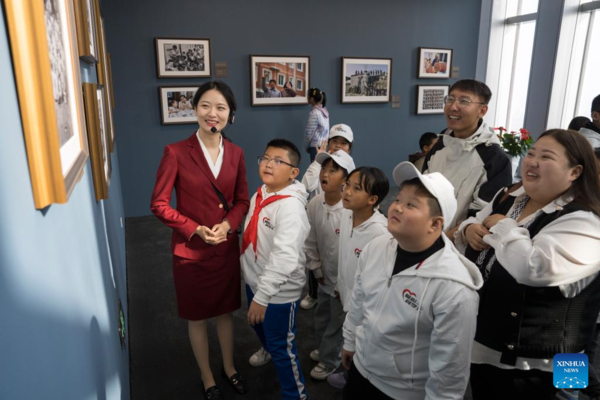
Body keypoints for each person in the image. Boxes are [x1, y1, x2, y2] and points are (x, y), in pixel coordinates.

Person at [454, 129, 600, 399]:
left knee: (570, 392)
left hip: (547, 361)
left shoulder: (586, 221)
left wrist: (502, 226)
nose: (531, 161)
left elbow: (531, 268)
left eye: (546, 157)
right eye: (531, 153)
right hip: (486, 345)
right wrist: (468, 229)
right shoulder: (511, 195)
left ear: (575, 172)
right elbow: (473, 221)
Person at [341, 161, 482, 400]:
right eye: (398, 200)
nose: (396, 207)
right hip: (360, 369)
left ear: (435, 224)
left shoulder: (454, 288)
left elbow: (450, 369)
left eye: (410, 204)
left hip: (403, 392)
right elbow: (359, 299)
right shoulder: (376, 247)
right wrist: (350, 339)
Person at [150, 81, 249, 400]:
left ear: (230, 114)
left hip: (224, 249)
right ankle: (207, 376)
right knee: (196, 316)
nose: (213, 113)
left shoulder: (236, 153)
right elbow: (159, 204)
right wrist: (193, 228)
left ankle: (229, 368)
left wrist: (228, 225)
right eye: (206, 105)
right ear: (194, 110)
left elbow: (242, 201)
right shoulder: (176, 152)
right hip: (190, 251)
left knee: (225, 311)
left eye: (221, 107)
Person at [242, 139, 310, 400]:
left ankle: (296, 395)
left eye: (278, 161)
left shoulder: (291, 207)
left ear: (294, 172)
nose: (269, 164)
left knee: (284, 348)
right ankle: (267, 347)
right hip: (255, 280)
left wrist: (262, 297)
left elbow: (284, 258)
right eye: (266, 158)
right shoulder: (262, 193)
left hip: (278, 292)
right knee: (259, 327)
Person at [423, 79, 512, 240]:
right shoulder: (441, 143)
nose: (453, 106)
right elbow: (423, 189)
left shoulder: (494, 158)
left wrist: (438, 243)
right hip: (424, 234)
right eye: (450, 99)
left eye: (464, 101)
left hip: (456, 244)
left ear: (482, 111)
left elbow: (483, 216)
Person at [327, 166, 389, 389]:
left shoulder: (380, 233)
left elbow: (379, 284)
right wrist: (340, 284)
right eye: (348, 185)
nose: (347, 192)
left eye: (356, 188)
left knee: (362, 343)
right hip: (347, 295)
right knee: (349, 336)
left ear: (373, 199)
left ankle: (354, 377)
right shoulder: (347, 214)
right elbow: (346, 255)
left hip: (366, 306)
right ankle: (349, 369)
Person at [305, 151, 356, 380]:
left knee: (337, 323)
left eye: (333, 170)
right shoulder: (315, 203)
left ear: (346, 179)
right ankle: (325, 348)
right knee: (322, 316)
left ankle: (330, 360)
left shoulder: (351, 210)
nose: (325, 174)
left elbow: (354, 251)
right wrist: (316, 268)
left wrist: (343, 284)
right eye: (324, 168)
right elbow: (310, 239)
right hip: (324, 277)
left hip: (342, 283)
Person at [300, 123, 354, 310]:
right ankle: (314, 293)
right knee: (317, 255)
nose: (338, 146)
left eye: (344, 143)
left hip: (337, 218)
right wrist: (317, 162)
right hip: (319, 214)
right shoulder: (319, 167)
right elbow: (306, 185)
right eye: (334, 141)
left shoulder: (351, 200)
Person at [304, 88, 330, 162]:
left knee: (315, 169)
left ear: (311, 99)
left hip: (315, 147)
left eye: (308, 96)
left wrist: (306, 146)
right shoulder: (324, 111)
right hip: (324, 146)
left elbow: (309, 133)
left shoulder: (314, 113)